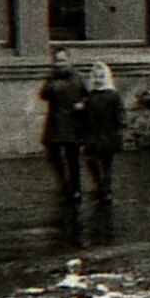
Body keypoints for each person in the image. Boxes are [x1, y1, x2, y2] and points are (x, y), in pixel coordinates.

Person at [38, 49, 87, 200]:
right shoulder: (52, 78)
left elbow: (88, 96)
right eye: (57, 61)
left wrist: (82, 105)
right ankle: (64, 183)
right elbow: (43, 95)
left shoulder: (78, 78)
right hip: (55, 121)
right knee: (53, 153)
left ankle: (75, 187)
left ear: (69, 61)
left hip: (72, 121)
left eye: (62, 61)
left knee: (72, 157)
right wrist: (52, 83)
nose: (59, 65)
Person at [80, 62, 127, 205]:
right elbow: (86, 115)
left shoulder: (113, 95)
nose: (98, 80)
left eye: (101, 77)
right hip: (93, 134)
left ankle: (105, 191)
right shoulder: (91, 95)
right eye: (95, 76)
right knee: (91, 161)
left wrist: (121, 128)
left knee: (106, 164)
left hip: (108, 134)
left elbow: (120, 113)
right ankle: (100, 185)